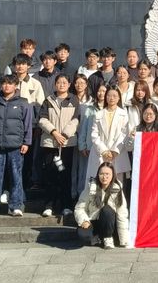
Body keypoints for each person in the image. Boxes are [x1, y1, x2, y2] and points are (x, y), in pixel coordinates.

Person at [0, 74, 33, 218]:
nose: (6, 86)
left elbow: (28, 124)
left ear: (15, 86)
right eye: (4, 83)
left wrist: (27, 142)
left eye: (10, 83)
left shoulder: (23, 103)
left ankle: (16, 206)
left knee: (16, 177)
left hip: (15, 146)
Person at [38, 74, 79, 218]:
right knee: (51, 173)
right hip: (51, 144)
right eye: (59, 82)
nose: (62, 84)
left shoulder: (73, 100)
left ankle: (66, 205)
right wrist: (54, 132)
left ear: (69, 84)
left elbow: (76, 120)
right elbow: (42, 119)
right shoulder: (48, 100)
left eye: (64, 82)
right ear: (55, 84)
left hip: (66, 145)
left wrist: (65, 135)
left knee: (65, 174)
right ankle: (49, 205)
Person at [75, 162, 129, 249]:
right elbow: (79, 208)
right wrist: (84, 220)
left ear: (112, 175)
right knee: (83, 235)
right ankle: (98, 238)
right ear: (98, 174)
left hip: (110, 224)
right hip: (93, 221)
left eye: (107, 174)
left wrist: (124, 240)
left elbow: (122, 214)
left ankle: (108, 238)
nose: (104, 177)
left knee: (107, 210)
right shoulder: (91, 187)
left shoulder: (117, 189)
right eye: (101, 174)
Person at [13, 53, 45, 190]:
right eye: (18, 64)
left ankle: (25, 185)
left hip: (30, 126)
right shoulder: (10, 83)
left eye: (23, 64)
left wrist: (37, 125)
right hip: (13, 127)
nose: (20, 67)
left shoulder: (35, 83)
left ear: (28, 66)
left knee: (28, 156)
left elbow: (41, 106)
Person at [86, 87, 130, 183]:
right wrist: (104, 151)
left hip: (117, 153)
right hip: (100, 153)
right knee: (98, 181)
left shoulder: (124, 114)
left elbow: (124, 134)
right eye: (109, 95)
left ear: (119, 98)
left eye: (114, 96)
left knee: (116, 183)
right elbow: (94, 134)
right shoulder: (98, 114)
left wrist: (115, 151)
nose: (111, 98)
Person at [75, 84, 105, 196]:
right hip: (89, 147)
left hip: (104, 148)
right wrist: (82, 145)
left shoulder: (110, 109)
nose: (101, 93)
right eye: (99, 91)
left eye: (104, 91)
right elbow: (83, 128)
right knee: (86, 174)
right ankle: (83, 197)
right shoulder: (90, 109)